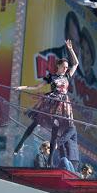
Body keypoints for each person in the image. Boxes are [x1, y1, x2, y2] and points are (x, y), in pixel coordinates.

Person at [14, 39, 79, 167]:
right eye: (64, 67)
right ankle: (20, 143)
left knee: (55, 132)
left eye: (67, 67)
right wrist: (22, 88)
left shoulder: (67, 76)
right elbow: (37, 87)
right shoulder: (51, 76)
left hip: (63, 105)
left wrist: (70, 49)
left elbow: (76, 63)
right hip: (51, 102)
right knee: (36, 122)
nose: (66, 69)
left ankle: (49, 162)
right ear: (59, 66)